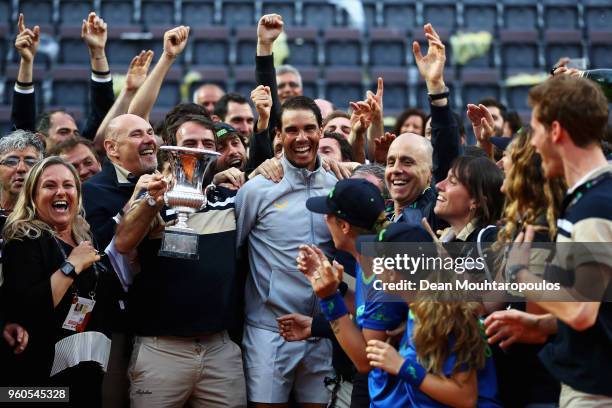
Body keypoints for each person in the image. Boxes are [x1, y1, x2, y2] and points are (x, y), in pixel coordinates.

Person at [493, 74, 612, 406]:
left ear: (556, 131)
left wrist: (521, 275)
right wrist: (544, 324)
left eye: (536, 130)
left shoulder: (595, 207)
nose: (532, 143)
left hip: (595, 393)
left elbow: (580, 311)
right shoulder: (592, 197)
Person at [113, 125, 246, 408]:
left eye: (207, 143)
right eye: (190, 142)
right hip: (161, 351)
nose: (197, 150)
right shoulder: (151, 196)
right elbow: (122, 244)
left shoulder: (230, 199)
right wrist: (151, 202)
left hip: (219, 350)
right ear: (170, 149)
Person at [236, 95, 336, 407]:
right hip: (269, 332)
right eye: (292, 130)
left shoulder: (335, 186)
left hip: (321, 331)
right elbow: (235, 250)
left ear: (322, 131)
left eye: (310, 129)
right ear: (278, 134)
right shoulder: (256, 189)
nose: (302, 138)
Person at [2, 156, 121, 406]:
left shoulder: (85, 239)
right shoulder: (24, 238)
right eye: (49, 185)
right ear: (33, 196)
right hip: (39, 377)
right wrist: (71, 266)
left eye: (68, 185)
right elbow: (28, 310)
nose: (61, 191)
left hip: (87, 369)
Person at [485, 126, 564, 407]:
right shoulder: (522, 226)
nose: (500, 166)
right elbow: (489, 303)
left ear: (524, 169)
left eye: (507, 157)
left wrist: (519, 273)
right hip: (515, 380)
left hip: (540, 386)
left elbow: (537, 323)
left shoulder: (544, 230)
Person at [384, 24, 461, 230]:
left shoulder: (434, 212)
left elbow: (447, 153)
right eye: (391, 162)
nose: (396, 170)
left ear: (430, 174)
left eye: (408, 162)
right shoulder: (379, 215)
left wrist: (436, 89)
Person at [12, 13, 115, 147]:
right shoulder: (30, 163)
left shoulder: (83, 157)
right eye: (64, 132)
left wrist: (98, 51)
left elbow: (103, 113)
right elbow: (22, 123)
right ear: (41, 140)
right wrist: (26, 61)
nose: (73, 138)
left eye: (76, 133)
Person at [82, 113, 158, 251]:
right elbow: (97, 247)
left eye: (150, 133)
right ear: (112, 148)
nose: (149, 140)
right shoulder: (91, 191)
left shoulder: (168, 183)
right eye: (136, 134)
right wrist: (135, 201)